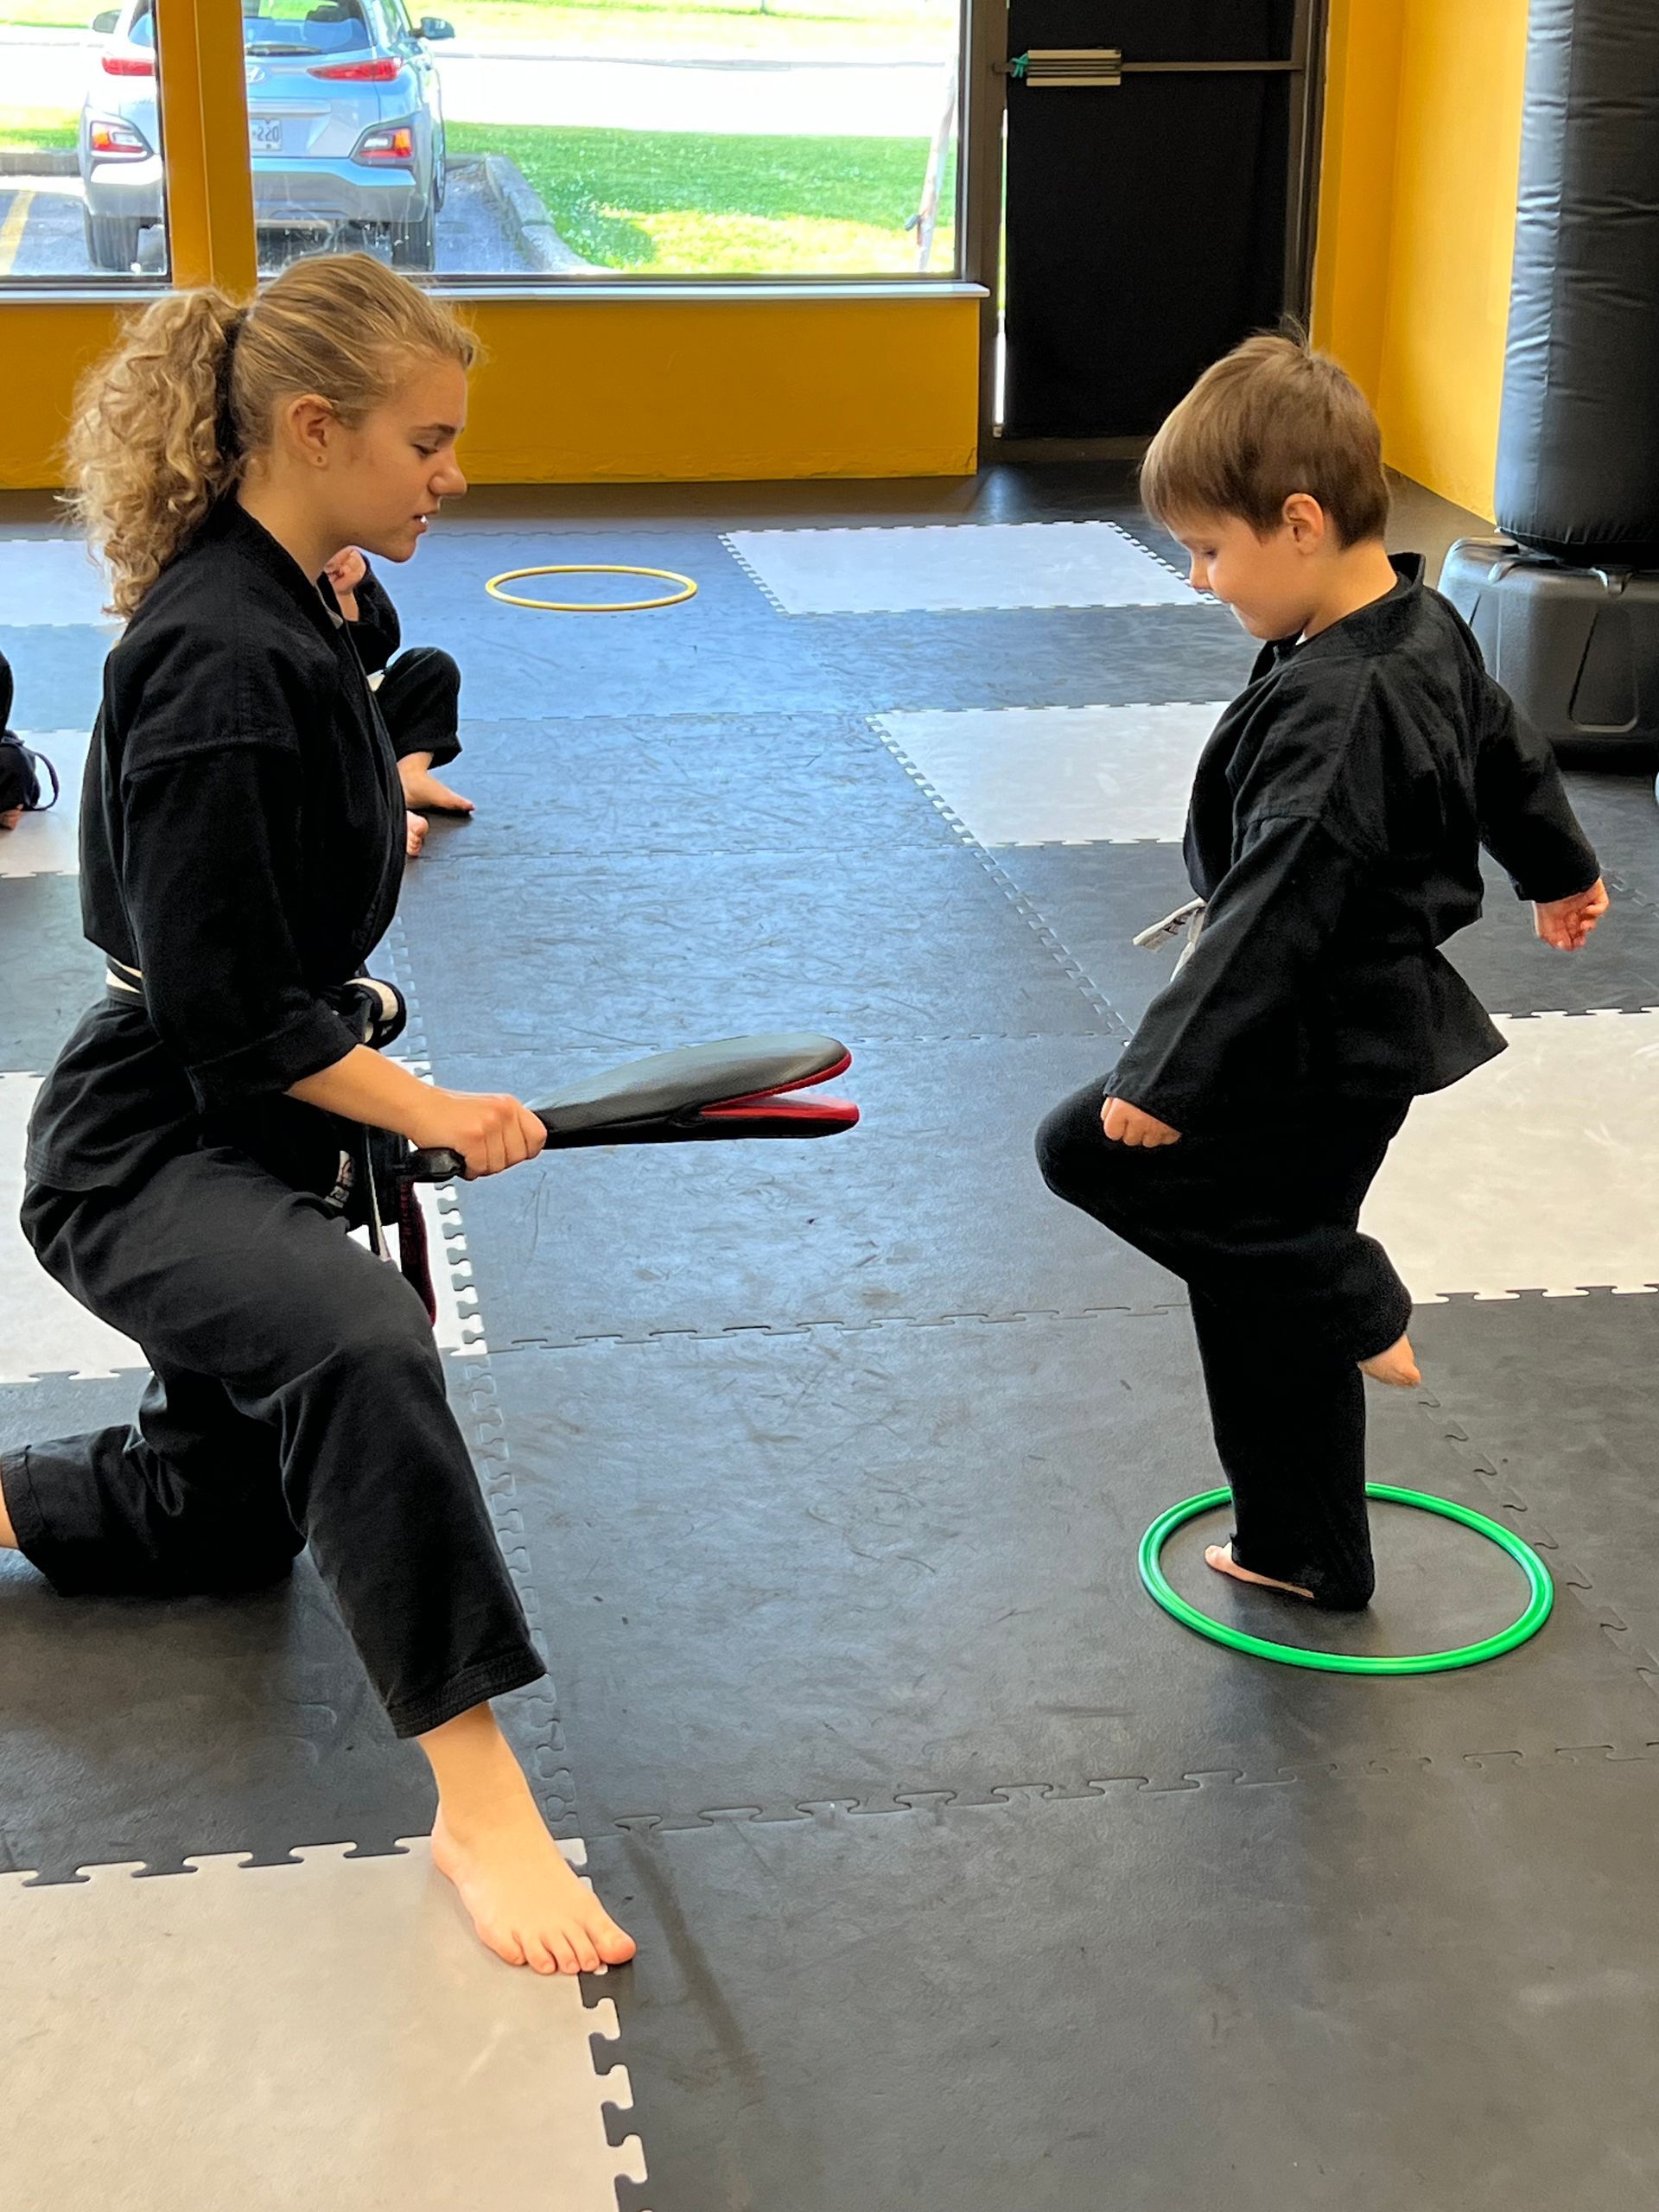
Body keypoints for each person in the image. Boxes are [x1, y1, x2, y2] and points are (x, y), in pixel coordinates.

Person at [0, 253, 634, 1979]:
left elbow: (300, 796)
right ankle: (477, 1790)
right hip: (152, 1143)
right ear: (310, 427)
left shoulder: (298, 597)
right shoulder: (214, 650)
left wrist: (381, 768)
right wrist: (421, 1103)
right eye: (426, 442)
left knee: (226, 1520)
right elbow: (224, 1012)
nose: (450, 474)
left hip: (253, 1119)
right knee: (360, 1348)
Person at [1035, 333, 1608, 1611]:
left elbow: (1276, 899)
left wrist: (1164, 1071)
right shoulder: (1416, 620)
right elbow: (1506, 749)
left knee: (1087, 1150)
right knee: (1249, 1274)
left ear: (1298, 522)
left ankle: (1350, 1290)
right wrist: (1559, 868)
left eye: (1208, 550)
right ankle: (1305, 1548)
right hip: (1355, 1031)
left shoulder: (1341, 702)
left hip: (1310, 1032)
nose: (1196, 580)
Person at [319, 545, 474, 858]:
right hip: (319, 723)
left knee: (433, 665)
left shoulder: (351, 568)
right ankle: (382, 816)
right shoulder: (275, 578)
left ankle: (409, 773)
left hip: (360, 711)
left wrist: (347, 596)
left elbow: (379, 650)